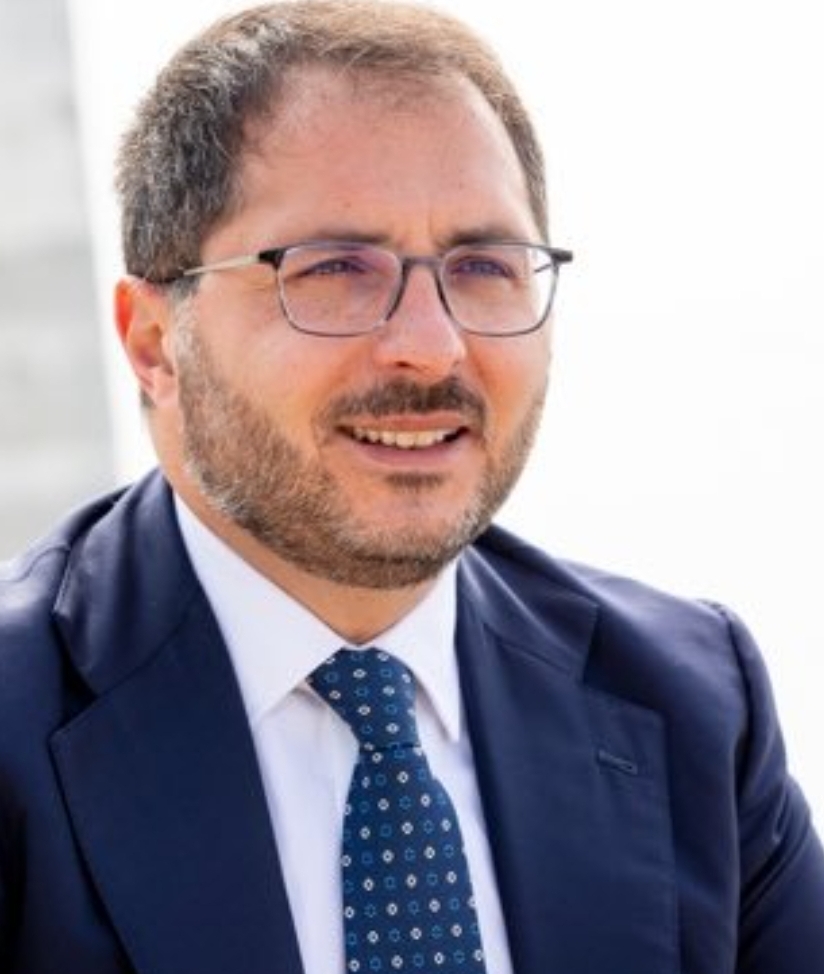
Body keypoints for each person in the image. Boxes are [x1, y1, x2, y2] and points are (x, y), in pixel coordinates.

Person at [1, 2, 823, 972]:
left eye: (482, 266)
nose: (431, 346)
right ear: (153, 343)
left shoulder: (693, 702)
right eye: (334, 268)